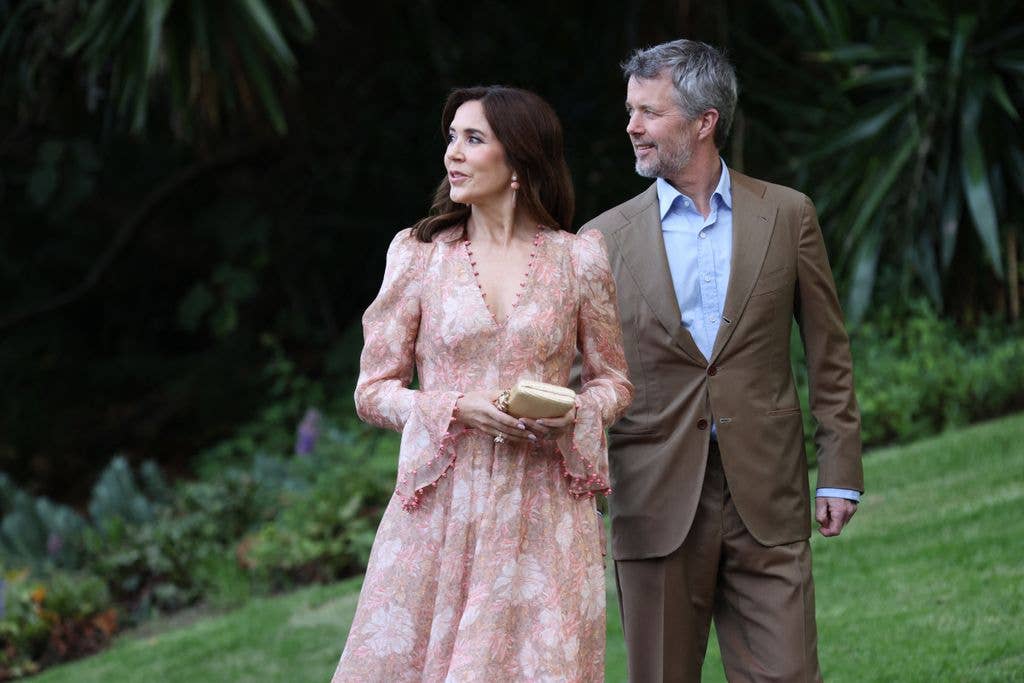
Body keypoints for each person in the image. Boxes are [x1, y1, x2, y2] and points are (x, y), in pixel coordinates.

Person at [582, 40, 864, 682]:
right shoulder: (599, 241)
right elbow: (587, 374)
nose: (631, 127)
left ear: (704, 121)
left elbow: (829, 353)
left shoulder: (788, 215)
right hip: (653, 499)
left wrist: (839, 468)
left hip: (767, 492)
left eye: (649, 112)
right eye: (630, 111)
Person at [331, 85, 633, 682]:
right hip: (441, 508)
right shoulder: (418, 256)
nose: (453, 155)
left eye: (473, 140)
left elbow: (614, 382)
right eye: (451, 138)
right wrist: (455, 407)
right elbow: (372, 391)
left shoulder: (578, 260)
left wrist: (574, 410)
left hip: (543, 511)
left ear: (518, 161)